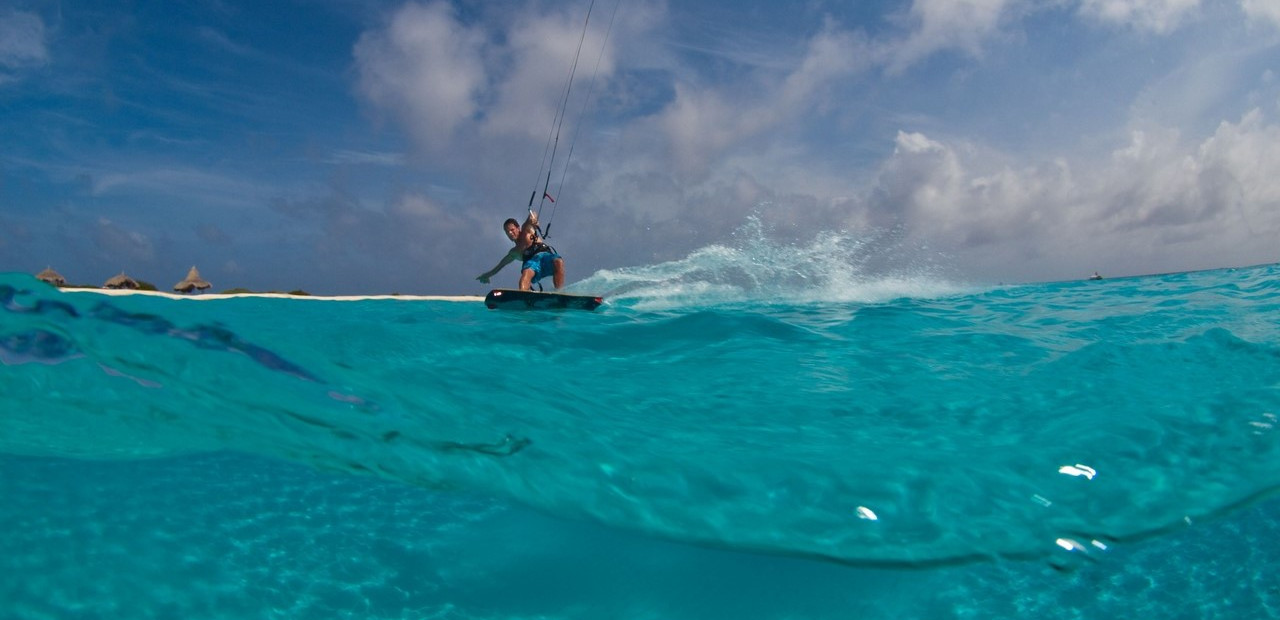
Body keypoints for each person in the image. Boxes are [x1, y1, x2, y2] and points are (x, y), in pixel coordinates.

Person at [476, 209, 565, 290]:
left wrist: (533, 219)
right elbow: (500, 266)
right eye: (507, 232)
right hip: (532, 264)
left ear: (518, 228)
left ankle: (558, 292)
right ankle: (523, 295)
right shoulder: (514, 252)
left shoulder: (526, 230)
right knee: (526, 273)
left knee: (558, 261)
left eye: (512, 230)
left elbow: (532, 214)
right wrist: (486, 276)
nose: (510, 233)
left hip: (544, 256)